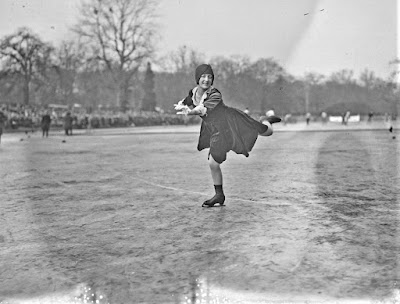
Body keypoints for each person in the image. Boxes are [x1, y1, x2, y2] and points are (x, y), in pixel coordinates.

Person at [174, 64, 281, 207]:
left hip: (229, 124)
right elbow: (186, 101)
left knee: (265, 131)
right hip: (215, 129)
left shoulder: (214, 94)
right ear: (197, 79)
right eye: (203, 77)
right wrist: (181, 105)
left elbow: (202, 108)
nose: (206, 80)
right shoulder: (193, 93)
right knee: (213, 163)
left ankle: (266, 121)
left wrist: (190, 112)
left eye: (209, 77)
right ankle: (219, 195)